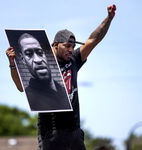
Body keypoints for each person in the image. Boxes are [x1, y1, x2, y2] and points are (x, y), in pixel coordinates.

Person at [6, 4, 117, 150]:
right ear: (56, 45)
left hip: (74, 130)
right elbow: (21, 86)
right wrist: (12, 63)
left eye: (73, 46)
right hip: (51, 132)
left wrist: (108, 19)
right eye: (67, 46)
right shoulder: (40, 62)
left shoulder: (74, 59)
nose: (71, 50)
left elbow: (93, 40)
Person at [14, 33, 71, 111]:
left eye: (39, 52)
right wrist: (12, 65)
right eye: (29, 54)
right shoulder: (31, 95)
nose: (38, 60)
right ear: (23, 59)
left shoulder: (63, 90)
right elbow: (20, 87)